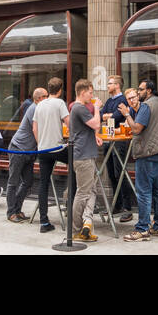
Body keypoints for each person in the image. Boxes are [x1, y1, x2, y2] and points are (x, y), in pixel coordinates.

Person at [121, 78, 158, 240]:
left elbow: (136, 128)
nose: (138, 92)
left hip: (148, 152)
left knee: (144, 192)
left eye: (140, 90)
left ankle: (142, 228)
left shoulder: (146, 105)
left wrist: (127, 114)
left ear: (148, 90)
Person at [31, 77, 69, 233]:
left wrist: (41, 143)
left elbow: (34, 128)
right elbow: (69, 122)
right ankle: (70, 207)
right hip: (58, 148)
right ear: (60, 90)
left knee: (43, 184)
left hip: (43, 149)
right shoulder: (60, 103)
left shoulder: (39, 105)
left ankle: (44, 221)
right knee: (76, 166)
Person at [68, 78, 103, 242]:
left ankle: (86, 223)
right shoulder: (79, 107)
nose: (92, 95)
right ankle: (75, 230)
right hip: (83, 156)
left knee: (91, 190)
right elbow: (96, 124)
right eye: (90, 92)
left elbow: (88, 129)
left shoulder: (78, 108)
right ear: (82, 92)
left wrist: (94, 136)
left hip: (85, 153)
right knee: (83, 193)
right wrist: (97, 108)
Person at [5, 87, 46, 223]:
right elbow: (36, 129)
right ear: (39, 98)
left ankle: (17, 208)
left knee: (28, 181)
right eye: (46, 96)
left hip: (29, 151)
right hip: (19, 148)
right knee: (13, 182)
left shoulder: (40, 108)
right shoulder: (35, 108)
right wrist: (41, 145)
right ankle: (11, 212)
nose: (48, 98)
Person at [100, 75, 134, 222]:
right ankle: (117, 205)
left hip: (119, 140)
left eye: (110, 83)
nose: (107, 86)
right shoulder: (109, 101)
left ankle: (127, 207)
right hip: (108, 139)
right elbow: (101, 116)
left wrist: (107, 116)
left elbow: (116, 118)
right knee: (112, 174)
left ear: (117, 85)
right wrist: (107, 116)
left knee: (120, 172)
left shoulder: (122, 100)